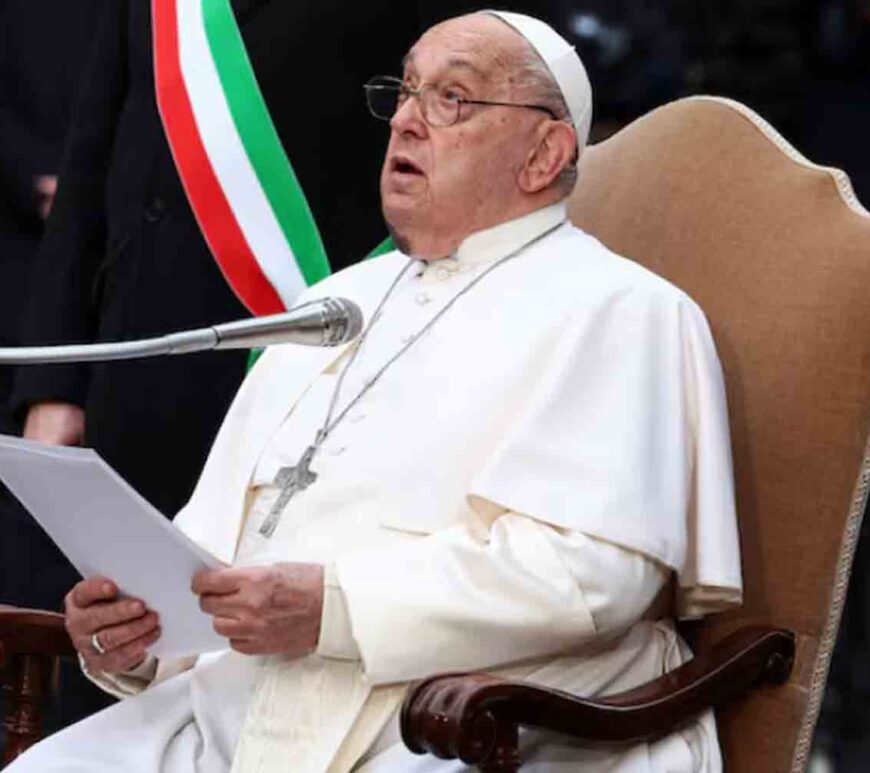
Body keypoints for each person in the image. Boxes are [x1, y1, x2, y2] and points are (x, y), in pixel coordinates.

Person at [8, 11, 742, 772]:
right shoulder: (335, 304)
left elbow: (592, 577)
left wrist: (334, 608)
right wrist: (141, 634)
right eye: (405, 90)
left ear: (545, 152)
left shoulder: (625, 310)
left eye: (453, 98)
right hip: (240, 707)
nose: (408, 121)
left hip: (463, 717)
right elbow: (209, 553)